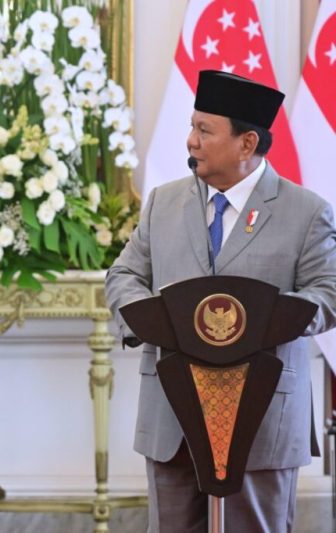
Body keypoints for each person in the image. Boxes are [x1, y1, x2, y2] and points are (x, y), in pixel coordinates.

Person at [106, 69, 336, 532]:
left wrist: (260, 321)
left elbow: (327, 292)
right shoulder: (163, 203)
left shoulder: (305, 211)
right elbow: (124, 274)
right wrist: (146, 320)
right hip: (172, 417)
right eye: (192, 127)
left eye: (204, 130)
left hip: (262, 418)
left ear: (247, 144)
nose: (191, 140)